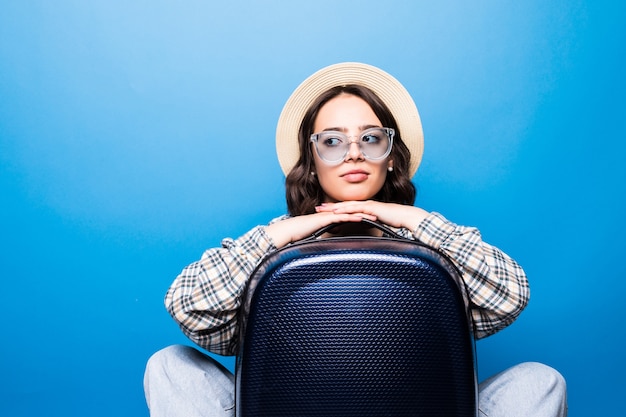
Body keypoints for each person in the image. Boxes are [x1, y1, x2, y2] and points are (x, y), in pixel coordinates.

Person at [143, 62, 567, 416]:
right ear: (310, 161)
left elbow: (510, 294)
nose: (353, 153)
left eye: (370, 138)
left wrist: (413, 221)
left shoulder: (430, 246)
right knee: (170, 365)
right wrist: (280, 233)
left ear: (390, 154)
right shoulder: (275, 251)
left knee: (539, 381)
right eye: (332, 141)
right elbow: (188, 307)